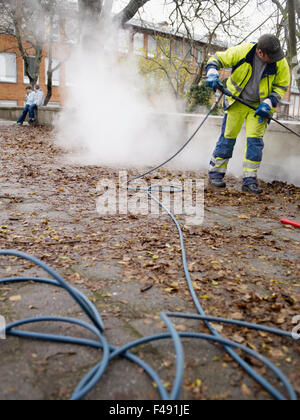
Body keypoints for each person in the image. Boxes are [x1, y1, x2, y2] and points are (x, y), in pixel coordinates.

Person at [206, 34, 290, 194]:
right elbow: (217, 58)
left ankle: (249, 181)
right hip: (237, 101)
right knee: (227, 138)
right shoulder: (243, 51)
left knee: (255, 143)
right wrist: (211, 71)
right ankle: (216, 174)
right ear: (260, 52)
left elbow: (281, 86)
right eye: (270, 57)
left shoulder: (280, 62)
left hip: (259, 107)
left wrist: (269, 102)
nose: (275, 59)